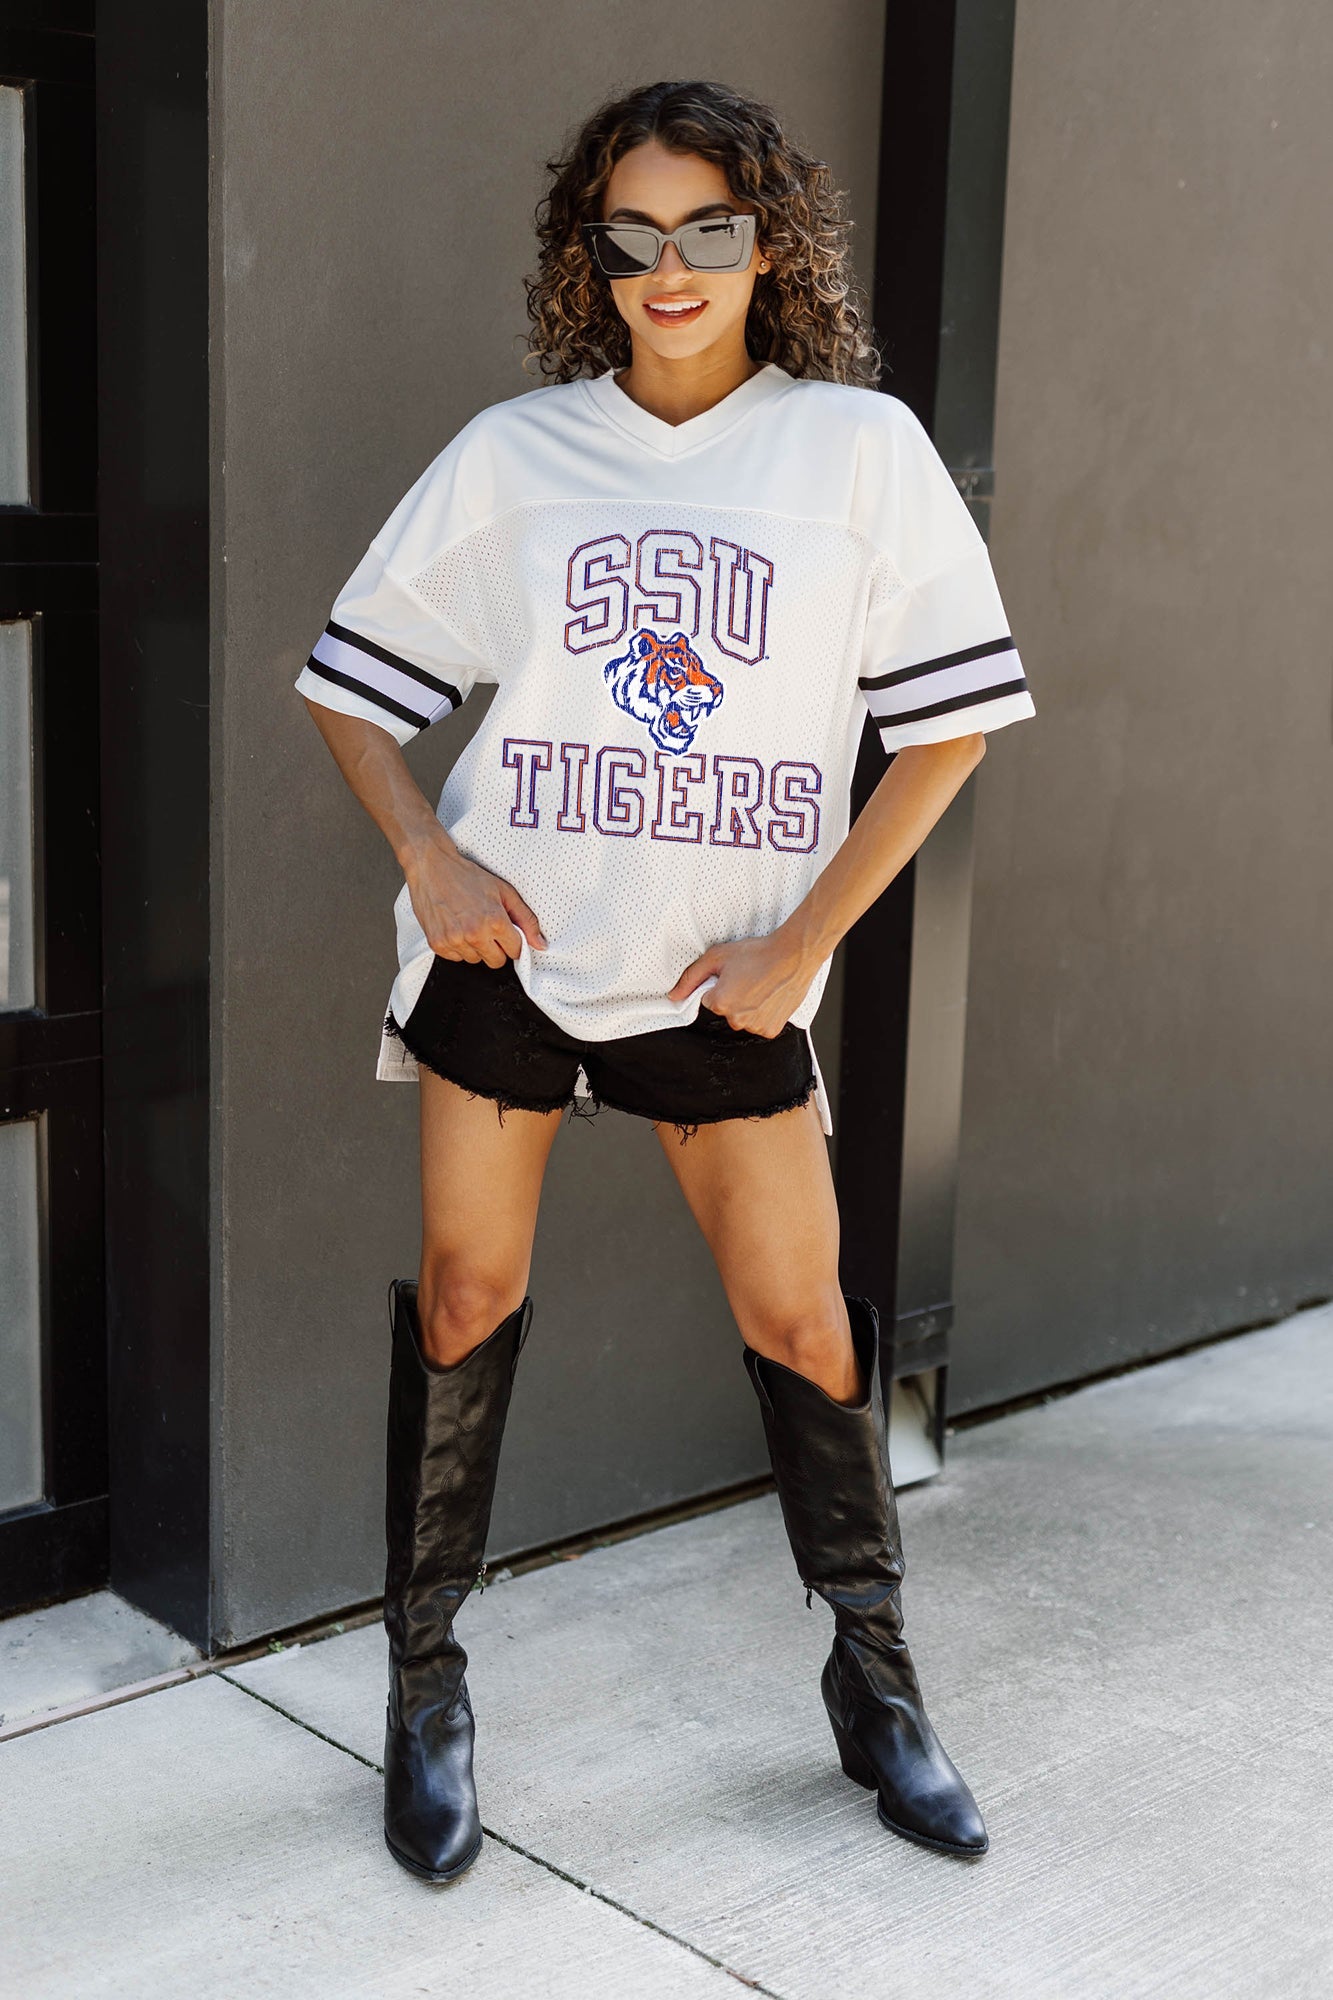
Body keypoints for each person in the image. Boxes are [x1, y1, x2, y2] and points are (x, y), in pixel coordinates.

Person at [295, 78, 1035, 1884]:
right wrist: (430, 857)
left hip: (724, 985)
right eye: (631, 236)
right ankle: (425, 1691)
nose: (670, 268)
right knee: (465, 1297)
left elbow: (945, 734)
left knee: (806, 1327)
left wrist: (803, 945)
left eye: (708, 227)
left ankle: (877, 1687)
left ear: (768, 243)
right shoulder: (516, 455)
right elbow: (352, 689)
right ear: (593, 258)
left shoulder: (854, 452)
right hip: (515, 958)